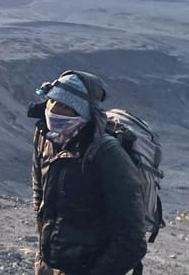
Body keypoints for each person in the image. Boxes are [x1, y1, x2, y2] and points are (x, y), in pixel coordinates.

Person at [30, 71, 147, 275]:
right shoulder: (45, 137)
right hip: (54, 264)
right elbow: (41, 196)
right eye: (51, 102)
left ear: (82, 112)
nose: (54, 111)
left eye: (65, 106)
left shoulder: (107, 154)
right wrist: (43, 257)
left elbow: (132, 239)